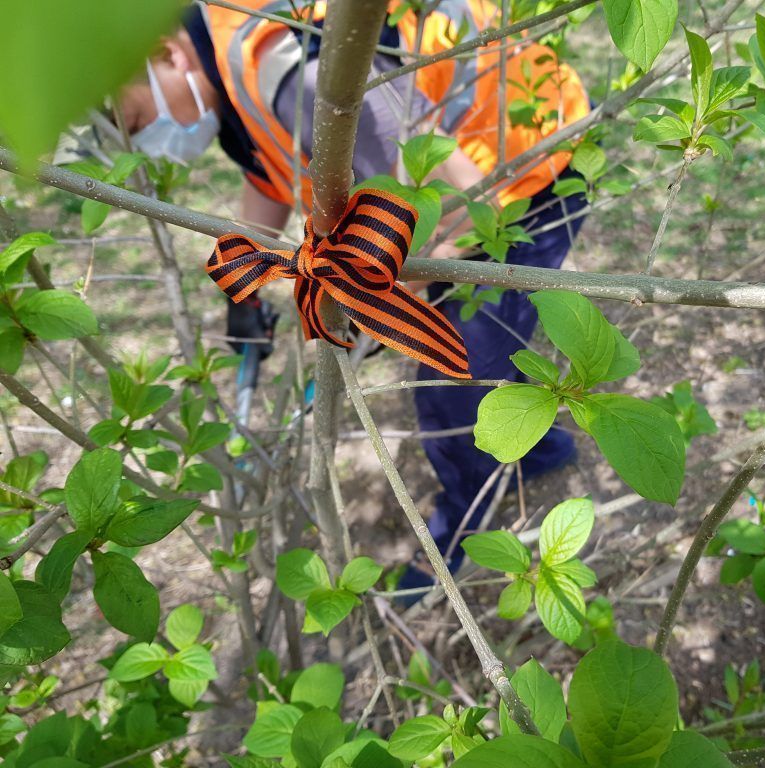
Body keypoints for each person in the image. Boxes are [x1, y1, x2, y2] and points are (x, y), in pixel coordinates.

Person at [118, 0, 591, 586]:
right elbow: (265, 174)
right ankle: (541, 450)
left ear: (165, 53)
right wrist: (242, 295)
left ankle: (471, 520)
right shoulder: (226, 67)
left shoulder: (294, 73)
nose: (152, 145)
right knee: (476, 358)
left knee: (454, 379)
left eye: (138, 122)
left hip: (523, 171)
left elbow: (468, 207)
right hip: (479, 179)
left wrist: (369, 304)